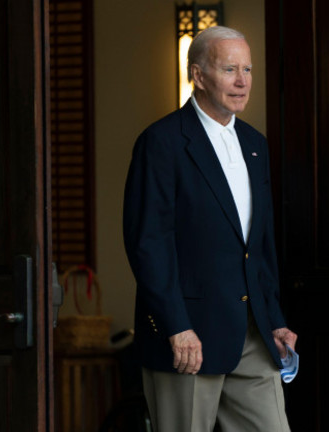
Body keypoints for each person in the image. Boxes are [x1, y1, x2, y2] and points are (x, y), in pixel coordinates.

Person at [123, 26, 296, 432]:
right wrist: (176, 326)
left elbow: (259, 245)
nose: (242, 81)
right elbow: (149, 243)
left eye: (248, 69)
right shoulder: (161, 142)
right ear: (198, 76)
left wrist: (274, 318)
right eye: (230, 69)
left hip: (253, 335)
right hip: (187, 337)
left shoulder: (255, 143)